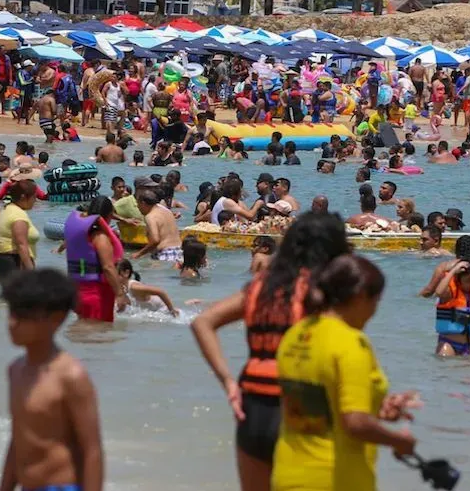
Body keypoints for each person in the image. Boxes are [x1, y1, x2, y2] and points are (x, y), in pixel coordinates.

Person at [191, 213, 351, 491]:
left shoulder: (261, 287)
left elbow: (202, 322)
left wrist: (228, 381)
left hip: (252, 407)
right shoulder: (320, 292)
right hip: (300, 409)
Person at [272, 255, 418, 491]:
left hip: (287, 474)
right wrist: (400, 441)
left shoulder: (296, 334)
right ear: (361, 296)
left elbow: (315, 408)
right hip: (336, 479)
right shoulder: (351, 343)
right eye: (375, 302)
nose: (374, 312)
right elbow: (354, 423)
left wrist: (376, 407)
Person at [0, 269, 103, 491]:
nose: (12, 323)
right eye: (11, 313)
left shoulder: (71, 377)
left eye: (22, 316)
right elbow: (18, 439)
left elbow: (92, 451)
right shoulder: (15, 370)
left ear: (56, 318)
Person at [64, 196, 126, 322]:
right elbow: (108, 267)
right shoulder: (100, 237)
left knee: (84, 333)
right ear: (109, 215)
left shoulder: (82, 235)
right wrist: (120, 294)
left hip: (78, 292)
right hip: (96, 295)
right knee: (99, 335)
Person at [0, 179, 39, 284]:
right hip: (15, 263)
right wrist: (32, 273)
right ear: (23, 197)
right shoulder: (18, 215)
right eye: (34, 197)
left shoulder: (6, 210)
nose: (35, 200)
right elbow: (21, 245)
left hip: (2, 262)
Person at [132, 189, 183, 262]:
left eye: (138, 204)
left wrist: (139, 254)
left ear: (143, 203)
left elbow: (155, 240)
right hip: (180, 251)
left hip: (166, 254)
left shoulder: (150, 216)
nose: (138, 207)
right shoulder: (167, 211)